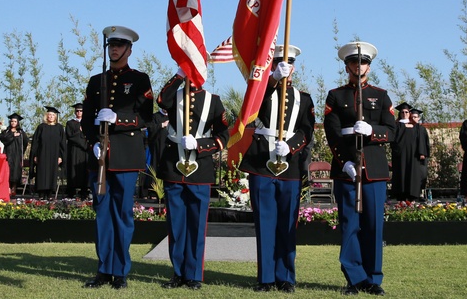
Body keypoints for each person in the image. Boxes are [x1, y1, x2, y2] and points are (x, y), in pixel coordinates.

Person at [81, 26, 154, 290]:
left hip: (125, 156)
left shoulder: (139, 80)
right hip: (101, 158)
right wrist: (93, 144)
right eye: (111, 45)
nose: (114, 49)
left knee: (123, 215)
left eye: (119, 46)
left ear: (129, 49)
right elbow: (87, 120)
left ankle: (120, 271)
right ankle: (104, 269)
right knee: (102, 215)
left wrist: (119, 119)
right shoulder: (95, 81)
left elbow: (147, 116)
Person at [238, 44, 314, 293]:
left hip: (289, 165)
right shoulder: (261, 92)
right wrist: (271, 79)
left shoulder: (304, 98)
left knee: (287, 223)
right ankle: (266, 278)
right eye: (281, 64)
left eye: (289, 64)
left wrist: (291, 146)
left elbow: (307, 129)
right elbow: (251, 107)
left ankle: (286, 277)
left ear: (294, 67)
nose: (286, 68)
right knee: (265, 222)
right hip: (261, 162)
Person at [324, 41, 395, 296]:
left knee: (374, 226)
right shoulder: (336, 95)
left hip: (374, 169)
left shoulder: (381, 94)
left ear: (369, 66)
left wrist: (373, 131)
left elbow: (392, 131)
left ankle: (374, 279)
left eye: (363, 62)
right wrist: (346, 163)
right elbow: (332, 133)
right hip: (347, 169)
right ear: (347, 66)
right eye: (354, 62)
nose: (359, 66)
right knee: (349, 224)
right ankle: (354, 279)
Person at [155, 70, 229, 290]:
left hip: (200, 169)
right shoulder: (174, 96)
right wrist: (178, 76)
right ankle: (178, 273)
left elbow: (223, 135)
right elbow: (162, 100)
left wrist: (199, 145)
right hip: (173, 167)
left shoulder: (214, 101)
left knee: (196, 225)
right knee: (176, 225)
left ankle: (194, 274)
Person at [391, 104, 430, 202]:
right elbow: (394, 140)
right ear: (399, 114)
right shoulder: (396, 125)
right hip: (401, 155)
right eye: (402, 112)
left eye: (406, 112)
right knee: (401, 173)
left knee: (413, 174)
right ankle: (401, 196)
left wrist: (421, 152)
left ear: (410, 113)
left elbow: (421, 140)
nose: (404, 114)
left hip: (413, 155)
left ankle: (413, 195)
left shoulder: (416, 126)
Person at [30, 107, 66, 199]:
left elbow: (62, 143)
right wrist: (35, 155)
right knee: (41, 173)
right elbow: (35, 142)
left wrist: (60, 156)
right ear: (46, 116)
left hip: (54, 155)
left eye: (53, 115)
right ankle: (41, 194)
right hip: (42, 155)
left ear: (56, 117)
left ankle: (50, 194)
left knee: (52, 173)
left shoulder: (59, 128)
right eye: (49, 115)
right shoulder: (41, 127)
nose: (51, 116)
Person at [64, 103, 90, 199]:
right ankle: (72, 191)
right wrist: (80, 132)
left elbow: (91, 135)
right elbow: (70, 136)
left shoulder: (88, 122)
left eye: (81, 111)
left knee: (85, 169)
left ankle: (85, 191)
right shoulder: (70, 123)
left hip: (85, 150)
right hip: (74, 149)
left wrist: (85, 144)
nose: (79, 112)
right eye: (77, 111)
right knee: (73, 170)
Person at [0, 113, 28, 196]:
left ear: (18, 122)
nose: (13, 123)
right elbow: (4, 140)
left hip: (17, 155)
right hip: (8, 154)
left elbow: (25, 143)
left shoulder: (21, 133)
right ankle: (7, 187)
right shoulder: (6, 132)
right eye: (12, 121)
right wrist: (13, 136)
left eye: (15, 121)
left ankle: (13, 188)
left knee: (15, 172)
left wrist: (21, 152)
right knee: (7, 171)